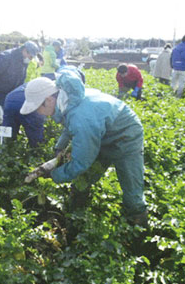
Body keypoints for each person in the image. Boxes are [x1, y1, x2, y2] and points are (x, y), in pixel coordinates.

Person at [20, 70, 148, 229]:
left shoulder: (81, 118)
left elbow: (81, 162)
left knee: (132, 190)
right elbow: (69, 126)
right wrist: (60, 147)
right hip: (101, 134)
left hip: (127, 136)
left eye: (37, 108)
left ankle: (139, 228)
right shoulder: (68, 99)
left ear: (48, 100)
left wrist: (54, 175)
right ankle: (76, 216)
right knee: (82, 181)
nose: (39, 114)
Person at [0, 41, 39, 124]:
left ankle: (6, 135)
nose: (31, 59)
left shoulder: (23, 61)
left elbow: (21, 79)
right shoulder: (6, 57)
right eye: (30, 56)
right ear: (24, 50)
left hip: (6, 95)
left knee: (9, 118)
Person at [2, 83, 46, 148]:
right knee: (35, 135)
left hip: (10, 100)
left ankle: (5, 150)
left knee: (8, 132)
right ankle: (36, 152)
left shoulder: (32, 84)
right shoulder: (49, 89)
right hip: (26, 101)